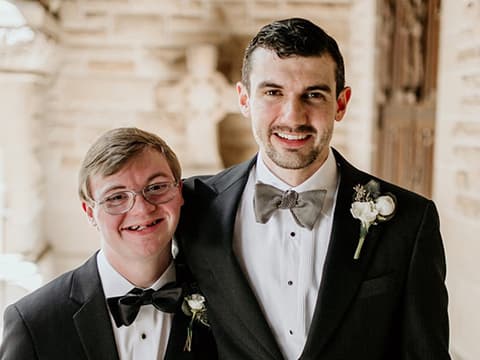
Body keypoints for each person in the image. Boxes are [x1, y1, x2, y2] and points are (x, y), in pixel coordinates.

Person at [176, 18, 450, 359]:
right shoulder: (191, 207)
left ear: (341, 103)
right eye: (273, 92)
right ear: (244, 99)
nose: (293, 116)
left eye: (314, 94)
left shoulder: (410, 220)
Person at [0, 127, 217, 360]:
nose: (142, 209)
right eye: (116, 197)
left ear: (179, 191)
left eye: (156, 187)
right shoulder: (33, 322)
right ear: (89, 211)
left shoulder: (223, 304)